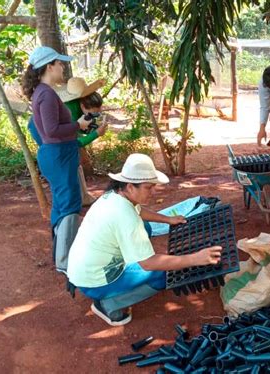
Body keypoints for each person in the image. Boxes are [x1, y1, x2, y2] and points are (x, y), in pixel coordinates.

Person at [67, 154, 222, 326]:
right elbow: (148, 263)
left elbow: (138, 212)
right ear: (130, 186)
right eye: (149, 188)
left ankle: (113, 291)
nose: (154, 192)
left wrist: (168, 220)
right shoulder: (124, 216)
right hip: (95, 281)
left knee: (146, 227)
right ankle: (108, 304)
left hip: (83, 270)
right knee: (165, 274)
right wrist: (195, 259)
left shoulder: (114, 196)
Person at [21, 46, 92, 274]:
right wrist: (78, 125)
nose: (63, 67)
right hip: (59, 155)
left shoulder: (41, 92)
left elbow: (35, 126)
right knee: (70, 204)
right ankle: (65, 261)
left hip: (56, 155)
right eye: (60, 63)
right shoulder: (47, 94)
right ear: (49, 66)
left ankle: (60, 254)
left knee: (62, 204)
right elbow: (51, 130)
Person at [27, 77, 108, 205]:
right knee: (66, 163)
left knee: (74, 162)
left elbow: (78, 128)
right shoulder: (68, 110)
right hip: (41, 132)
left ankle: (82, 197)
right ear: (82, 105)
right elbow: (74, 142)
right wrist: (96, 134)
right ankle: (68, 202)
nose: (93, 117)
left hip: (52, 131)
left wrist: (90, 129)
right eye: (92, 114)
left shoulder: (78, 103)